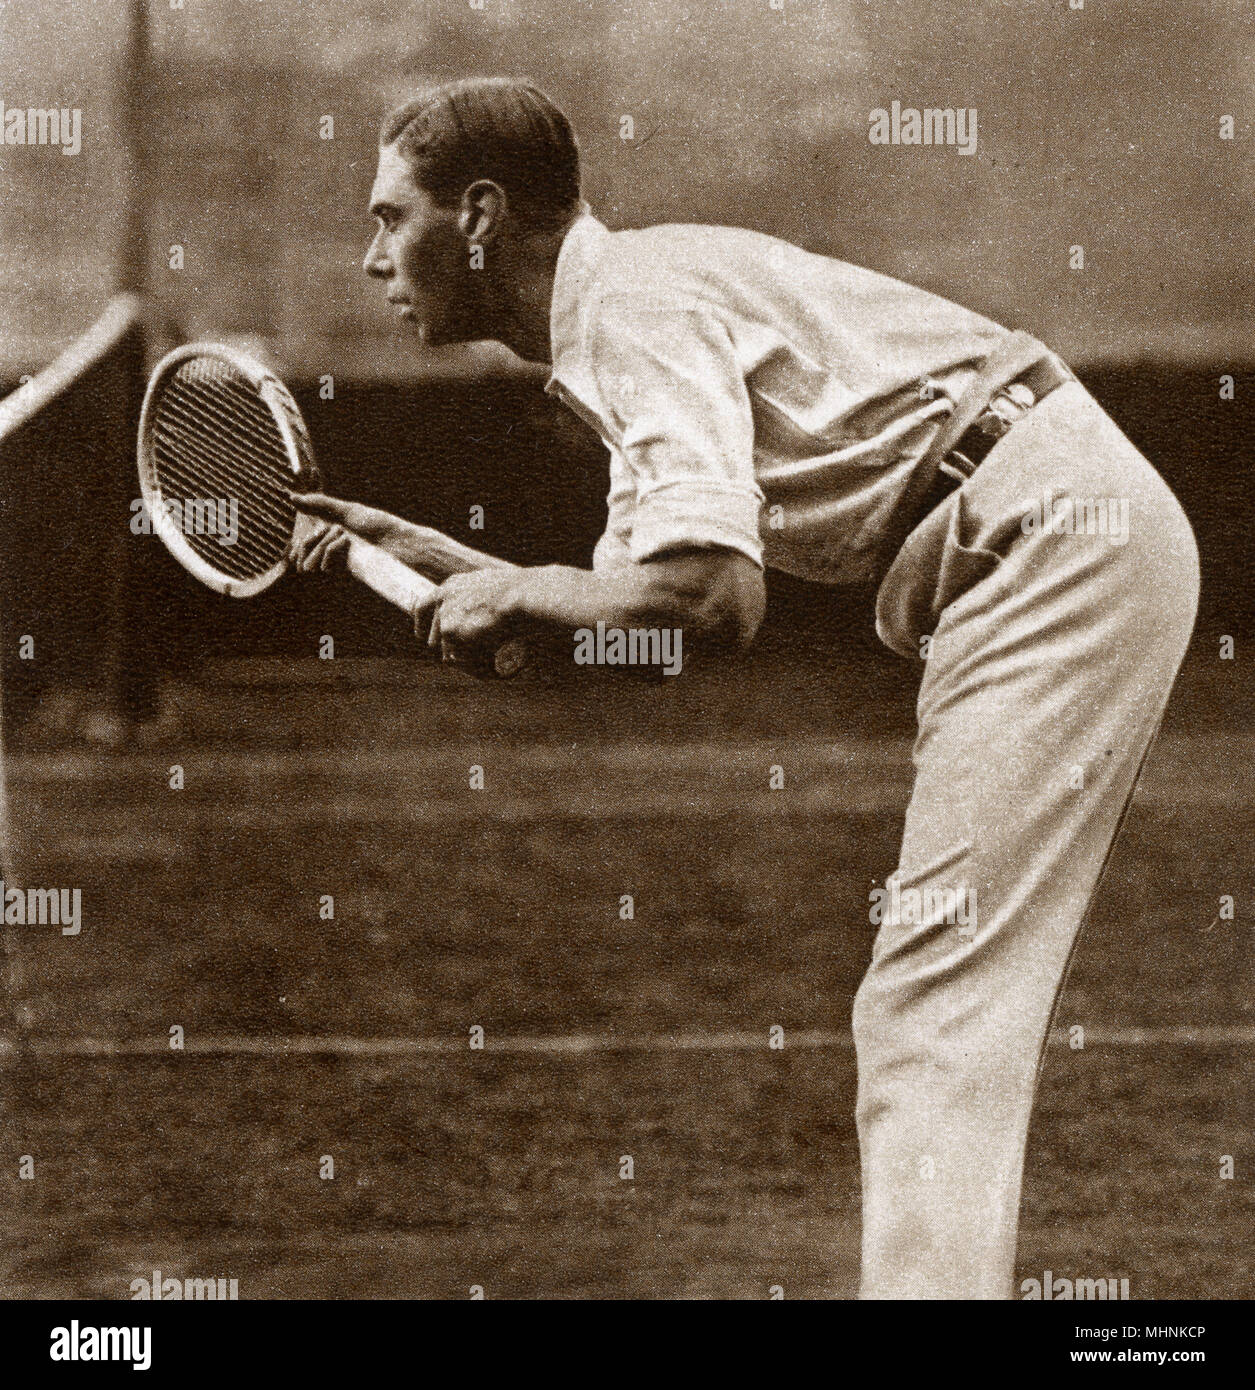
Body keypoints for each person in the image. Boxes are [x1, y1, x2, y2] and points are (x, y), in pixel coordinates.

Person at [293, 76, 1200, 1298]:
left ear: (479, 218)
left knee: (930, 1003)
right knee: (933, 1001)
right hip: (1042, 537)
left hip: (1049, 539)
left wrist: (521, 595)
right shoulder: (623, 310)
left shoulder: (632, 310)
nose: (371, 260)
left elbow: (710, 597)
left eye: (389, 218)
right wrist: (469, 574)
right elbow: (658, 621)